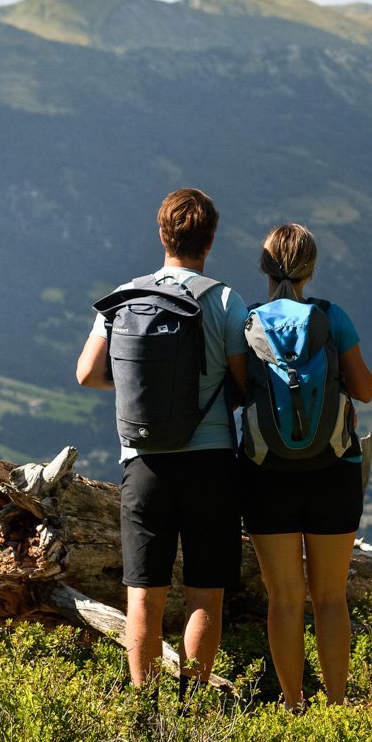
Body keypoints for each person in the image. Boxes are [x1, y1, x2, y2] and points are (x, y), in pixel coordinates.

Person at [75, 188, 249, 686]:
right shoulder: (224, 300)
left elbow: (87, 372)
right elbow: (242, 384)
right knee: (205, 592)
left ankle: (143, 713)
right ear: (210, 240)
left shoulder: (126, 297)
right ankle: (191, 710)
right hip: (211, 462)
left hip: (144, 463)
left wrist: (134, 382)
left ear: (161, 234)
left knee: (143, 593)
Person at [242, 223, 372, 708]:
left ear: (264, 266)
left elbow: (238, 395)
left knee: (283, 598)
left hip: (265, 474)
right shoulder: (333, 318)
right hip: (332, 469)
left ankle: (295, 705)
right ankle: (338, 709)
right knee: (330, 597)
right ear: (311, 269)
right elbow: (364, 390)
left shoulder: (249, 320)